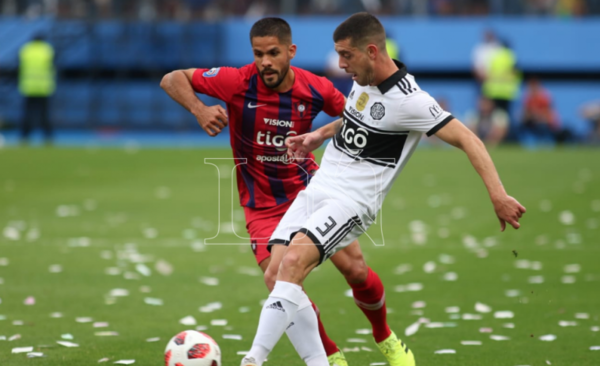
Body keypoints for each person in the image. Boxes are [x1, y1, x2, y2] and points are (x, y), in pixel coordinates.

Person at [241, 12, 526, 366]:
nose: (340, 64)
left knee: (296, 263)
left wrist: (498, 196)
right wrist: (319, 135)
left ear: (371, 50)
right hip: (319, 186)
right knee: (276, 273)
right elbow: (354, 116)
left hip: (351, 202)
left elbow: (469, 139)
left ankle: (253, 359)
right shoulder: (364, 79)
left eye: (346, 55)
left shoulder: (412, 102)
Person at [161, 17, 399, 366]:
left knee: (357, 271)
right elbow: (172, 78)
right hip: (262, 205)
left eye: (273, 53)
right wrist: (199, 109)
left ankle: (385, 337)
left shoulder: (315, 87)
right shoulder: (237, 82)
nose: (265, 62)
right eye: (258, 54)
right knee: (279, 280)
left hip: (311, 191)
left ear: (291, 51)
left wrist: (325, 138)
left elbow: (355, 114)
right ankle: (331, 356)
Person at [19, 33, 56, 145]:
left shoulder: (26, 50)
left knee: (27, 113)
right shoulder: (47, 50)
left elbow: (20, 66)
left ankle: (25, 136)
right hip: (43, 87)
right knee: (44, 113)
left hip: (28, 86)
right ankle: (47, 137)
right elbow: (52, 66)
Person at [482, 40, 520, 115]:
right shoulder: (511, 55)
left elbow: (486, 73)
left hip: (492, 91)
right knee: (504, 116)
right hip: (506, 92)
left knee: (493, 115)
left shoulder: (493, 56)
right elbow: (515, 72)